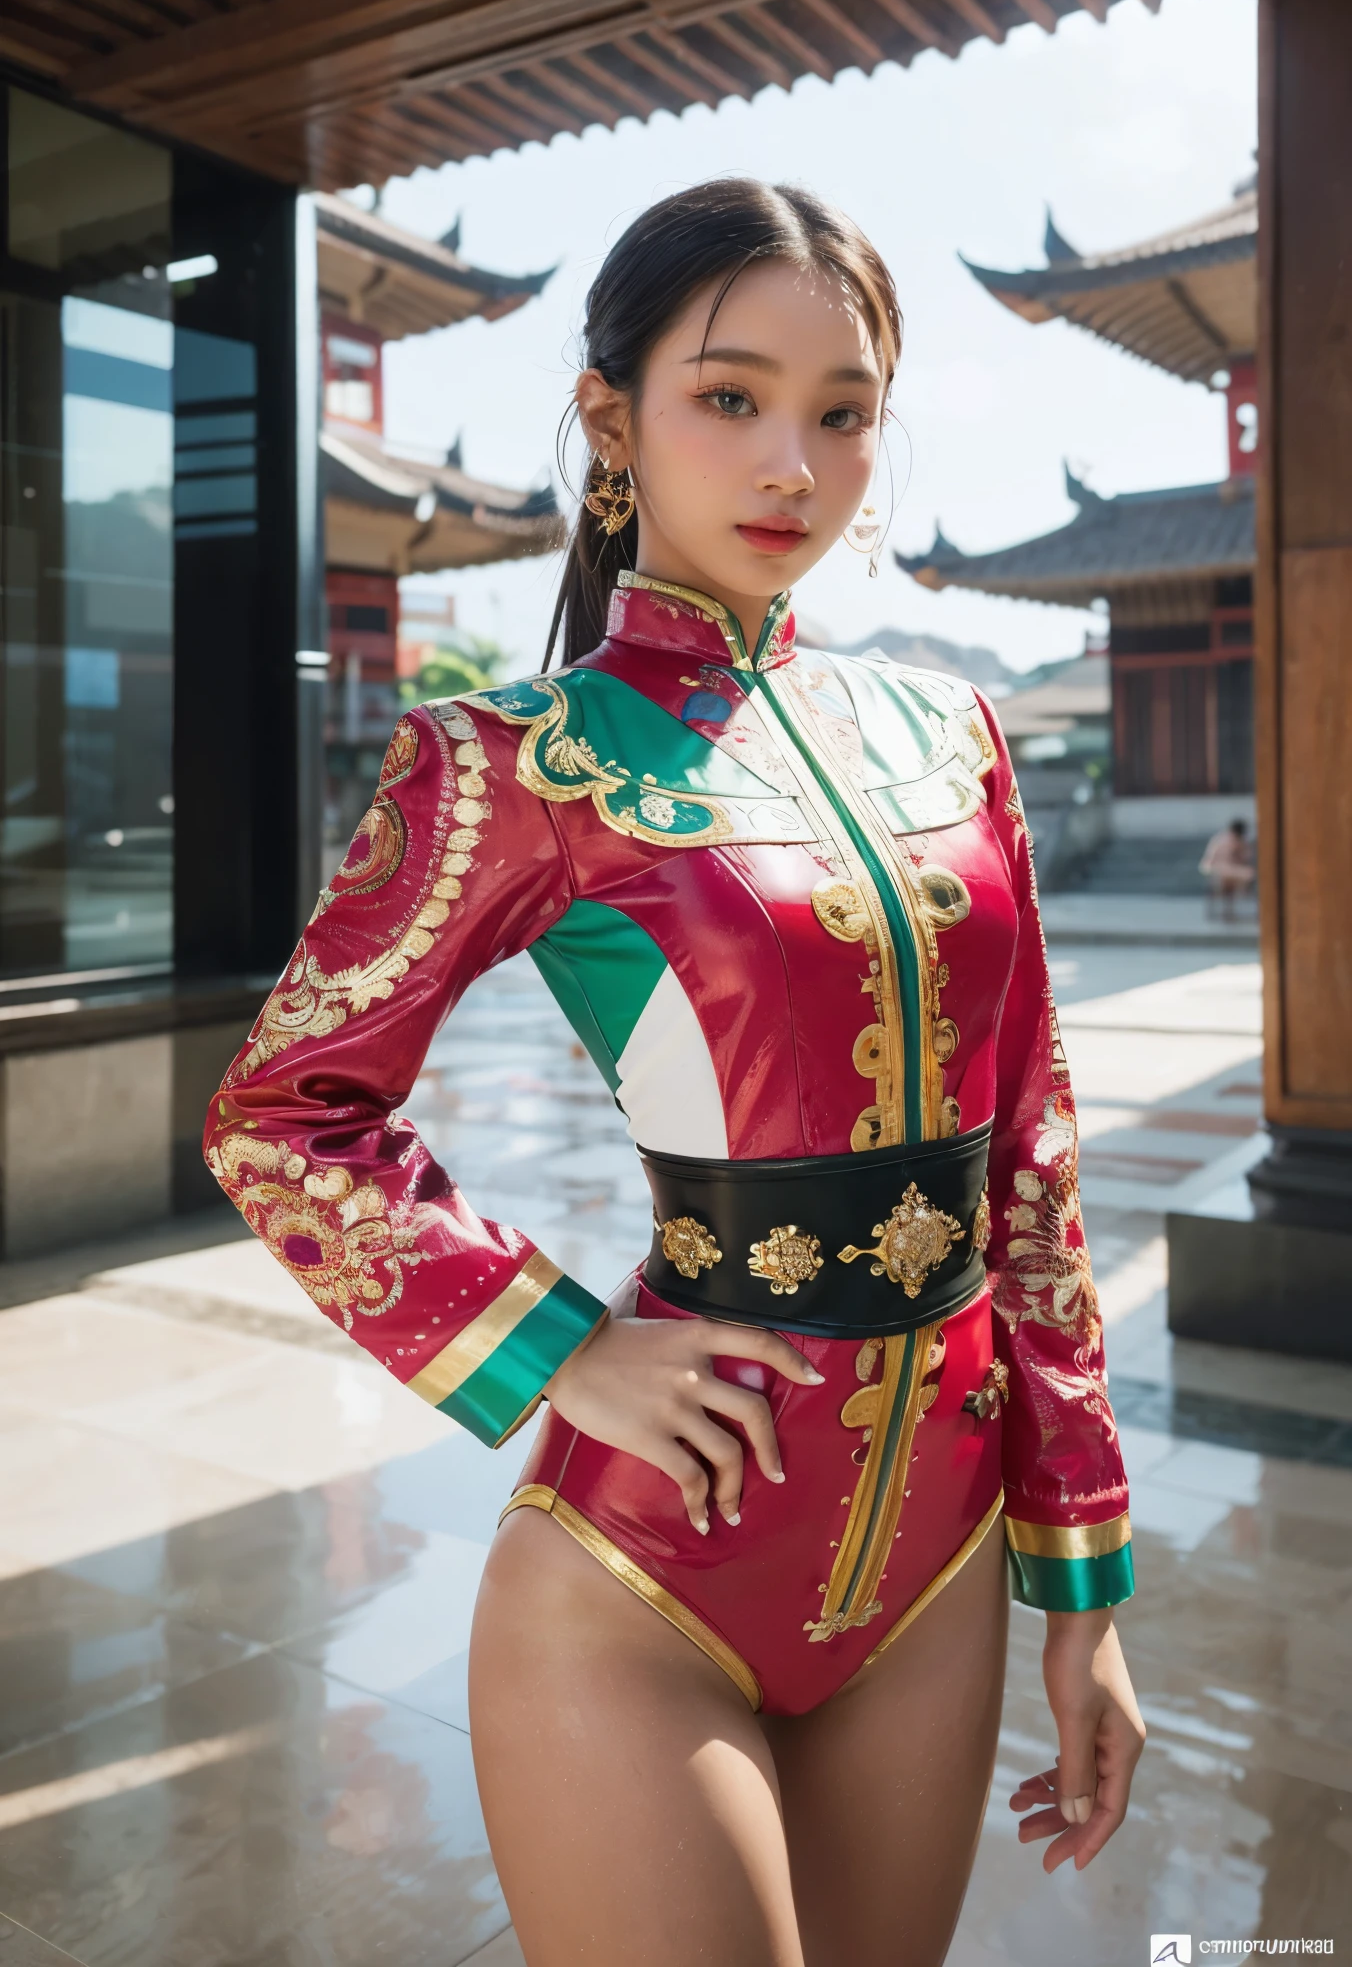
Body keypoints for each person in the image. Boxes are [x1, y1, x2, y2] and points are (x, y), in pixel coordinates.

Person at [206, 179, 1144, 1967]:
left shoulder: (951, 730)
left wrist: (1084, 1582)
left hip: (937, 1566)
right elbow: (280, 1111)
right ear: (610, 418)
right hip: (648, 1580)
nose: (792, 456)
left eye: (842, 409)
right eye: (730, 395)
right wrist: (566, 1346)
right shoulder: (511, 766)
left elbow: (1026, 1147)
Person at [1200, 817, 1255, 920]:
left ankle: (1229, 908)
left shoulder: (1219, 839)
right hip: (1223, 870)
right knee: (1248, 874)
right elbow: (1245, 858)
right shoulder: (1234, 841)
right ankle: (1236, 902)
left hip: (1219, 870)